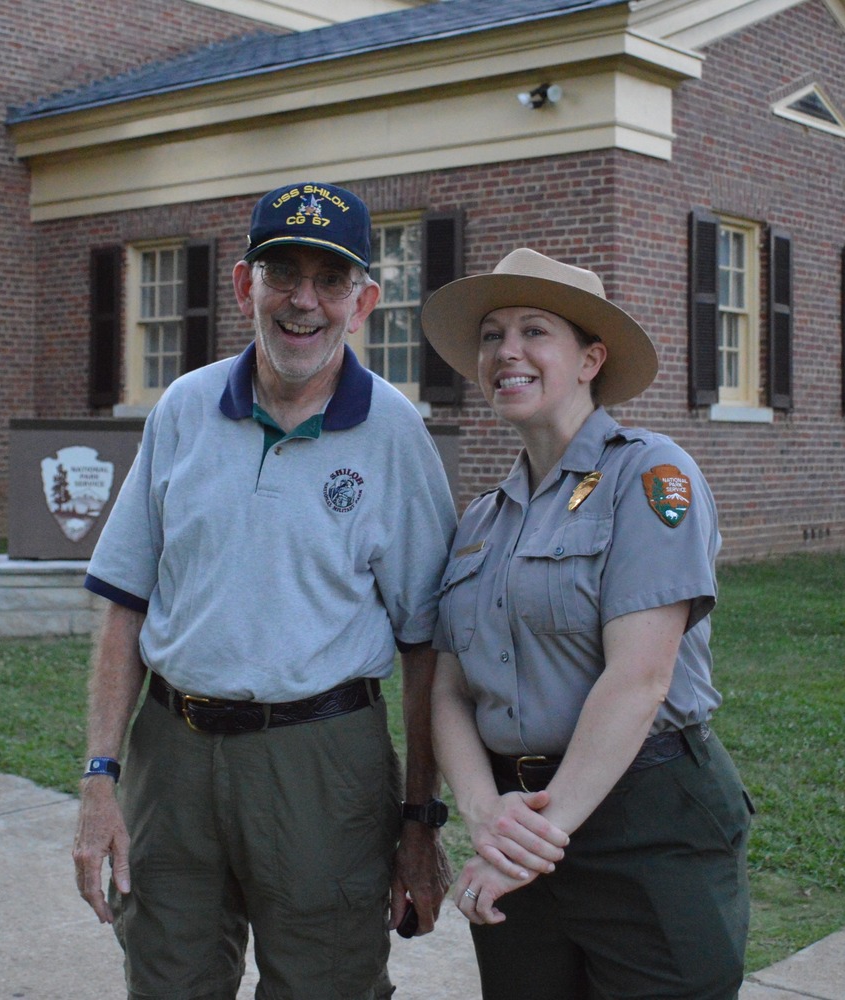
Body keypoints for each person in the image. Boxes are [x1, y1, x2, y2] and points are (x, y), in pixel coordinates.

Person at [73, 181, 458, 1000]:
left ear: (363, 303)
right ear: (246, 285)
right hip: (169, 758)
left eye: (330, 280)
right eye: (284, 274)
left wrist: (420, 823)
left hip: (321, 762)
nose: (304, 301)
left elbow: (427, 648)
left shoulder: (394, 434)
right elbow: (125, 609)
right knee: (167, 980)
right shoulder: (183, 409)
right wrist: (100, 780)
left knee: (327, 984)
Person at [421, 248, 755, 1000]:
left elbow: (639, 678)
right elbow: (447, 691)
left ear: (589, 358)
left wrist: (524, 847)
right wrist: (485, 816)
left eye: (534, 331)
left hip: (647, 820)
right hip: (520, 817)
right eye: (491, 335)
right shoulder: (479, 520)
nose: (506, 351)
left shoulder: (651, 476)